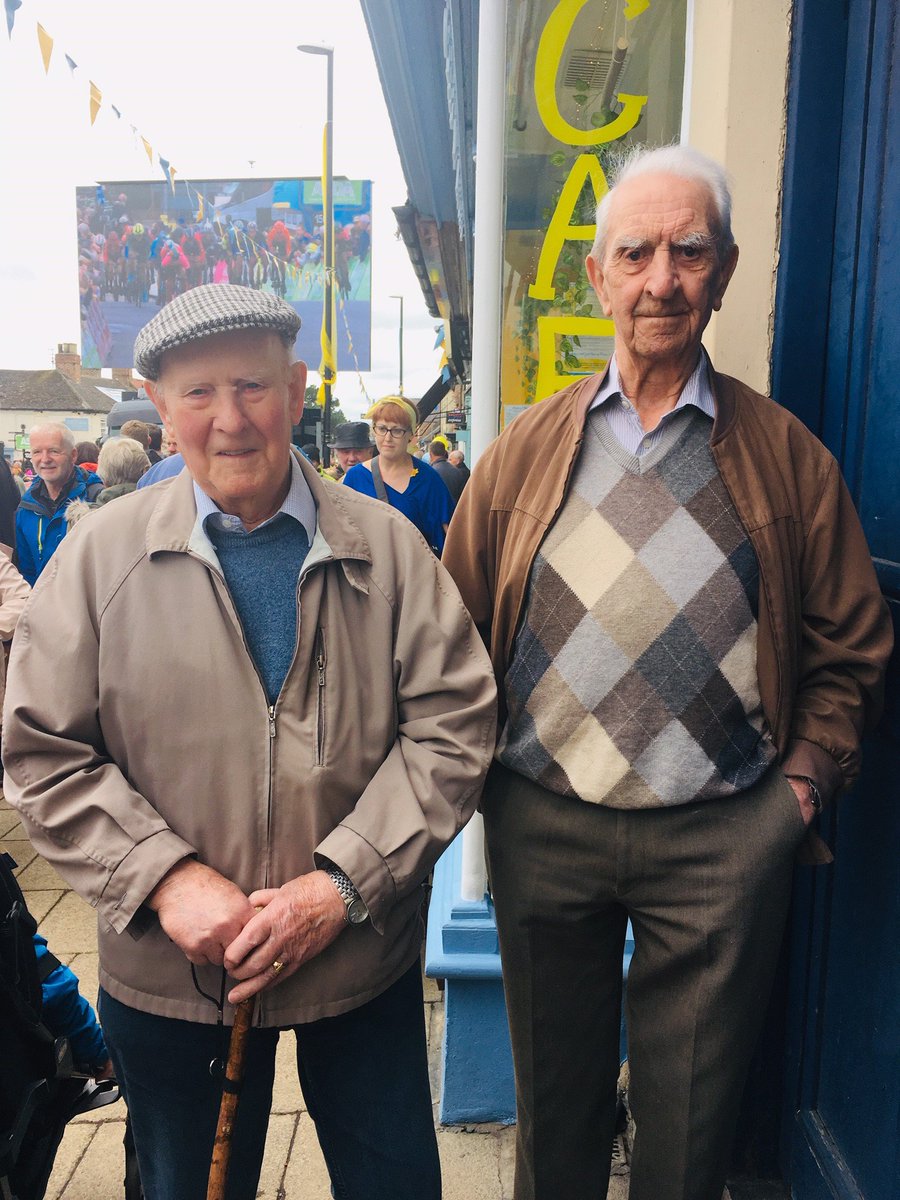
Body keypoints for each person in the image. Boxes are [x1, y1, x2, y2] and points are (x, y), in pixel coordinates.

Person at [442, 145, 893, 1200]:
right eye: (636, 253)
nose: (662, 280)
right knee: (554, 1113)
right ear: (597, 276)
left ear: (723, 273)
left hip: (720, 835)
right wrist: (475, 787)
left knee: (689, 1132)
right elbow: (451, 633)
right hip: (545, 821)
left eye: (689, 252)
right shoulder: (523, 449)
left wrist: (797, 791)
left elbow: (851, 646)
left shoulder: (789, 457)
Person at [2, 283, 497, 1200]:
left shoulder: (390, 550)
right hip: (176, 969)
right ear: (161, 407)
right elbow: (42, 752)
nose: (229, 420)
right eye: (198, 392)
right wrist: (162, 877)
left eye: (252, 386)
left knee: (392, 1182)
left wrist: (343, 883)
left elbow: (454, 725)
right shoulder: (98, 559)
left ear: (297, 389)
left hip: (360, 954)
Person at [342, 397, 454, 554]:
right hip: (369, 568)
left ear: (411, 434)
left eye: (397, 431)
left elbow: (450, 535)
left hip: (415, 568)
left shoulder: (428, 479)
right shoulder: (356, 477)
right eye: (382, 428)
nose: (388, 438)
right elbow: (343, 533)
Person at [15, 424, 103, 585]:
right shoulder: (26, 507)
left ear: (73, 455)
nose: (45, 459)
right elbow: (27, 570)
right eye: (37, 452)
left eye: (54, 451)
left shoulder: (97, 498)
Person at [428, 439, 464, 505]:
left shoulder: (429, 472)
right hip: (454, 509)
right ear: (445, 453)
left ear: (430, 454)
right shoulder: (457, 471)